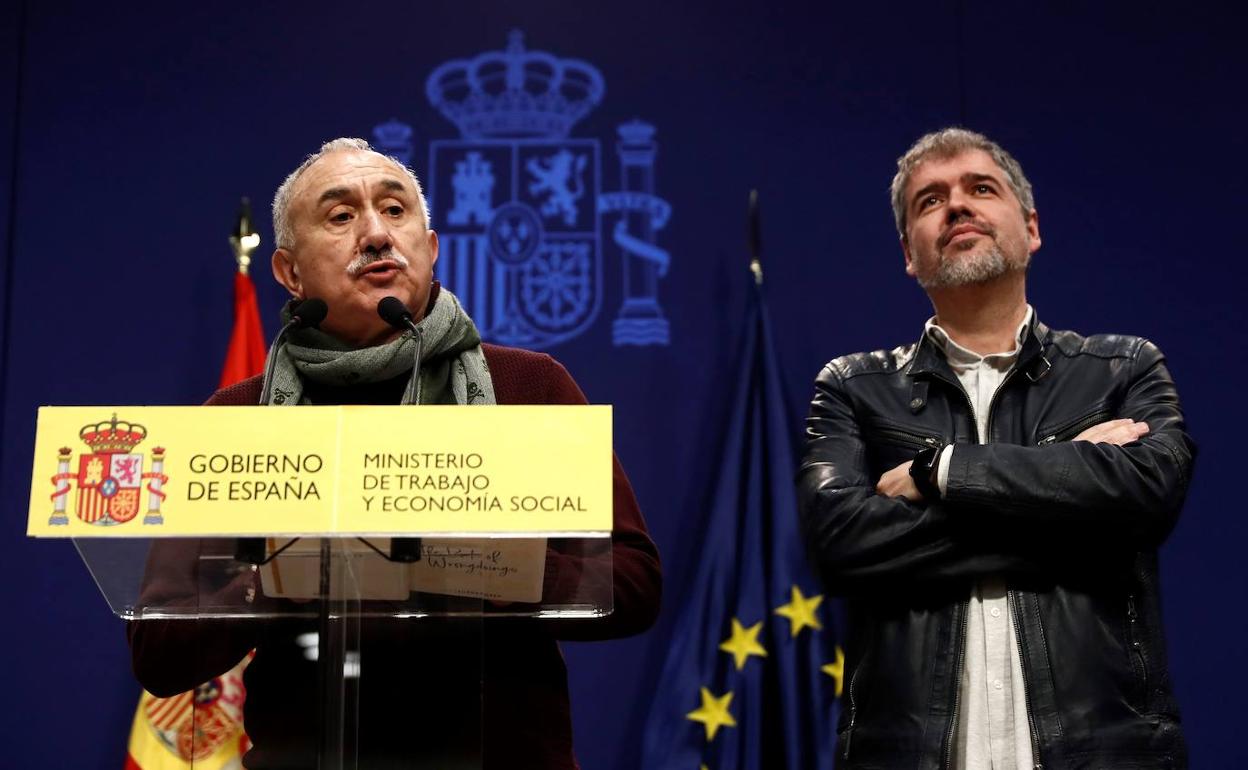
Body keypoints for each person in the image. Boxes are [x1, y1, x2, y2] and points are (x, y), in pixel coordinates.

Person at [127, 138, 662, 769]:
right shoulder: (237, 421)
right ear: (289, 271)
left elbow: (632, 585)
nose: (377, 234)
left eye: (396, 210)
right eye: (341, 216)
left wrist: (479, 567)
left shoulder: (532, 389)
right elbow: (159, 651)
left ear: (431, 250)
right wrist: (279, 578)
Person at [797, 128, 1193, 769]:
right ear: (908, 253)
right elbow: (840, 545)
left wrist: (940, 470)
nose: (956, 206)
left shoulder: (1123, 368)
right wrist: (1070, 485)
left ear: (1031, 228)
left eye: (981, 188)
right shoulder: (851, 387)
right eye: (930, 200)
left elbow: (1148, 496)